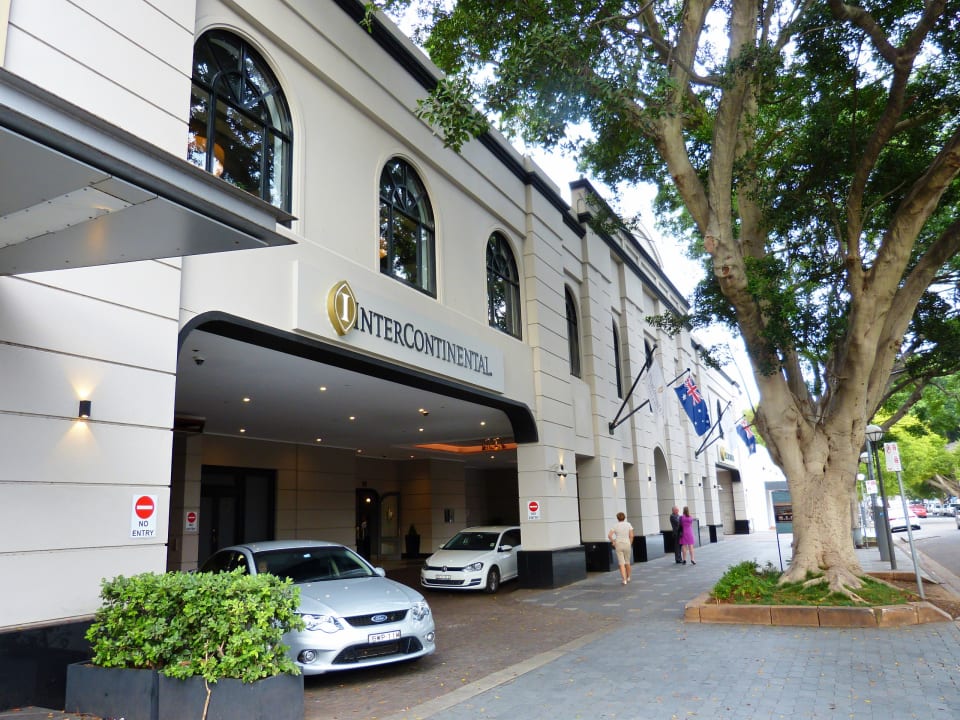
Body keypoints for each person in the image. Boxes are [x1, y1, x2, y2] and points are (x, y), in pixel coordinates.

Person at [608, 511, 634, 584]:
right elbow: (631, 536)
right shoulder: (628, 524)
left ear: (617, 518)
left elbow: (609, 535)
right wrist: (630, 543)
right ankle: (628, 577)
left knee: (621, 563)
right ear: (624, 517)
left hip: (618, 544)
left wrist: (613, 541)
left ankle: (624, 580)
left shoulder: (615, 526)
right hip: (627, 544)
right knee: (627, 562)